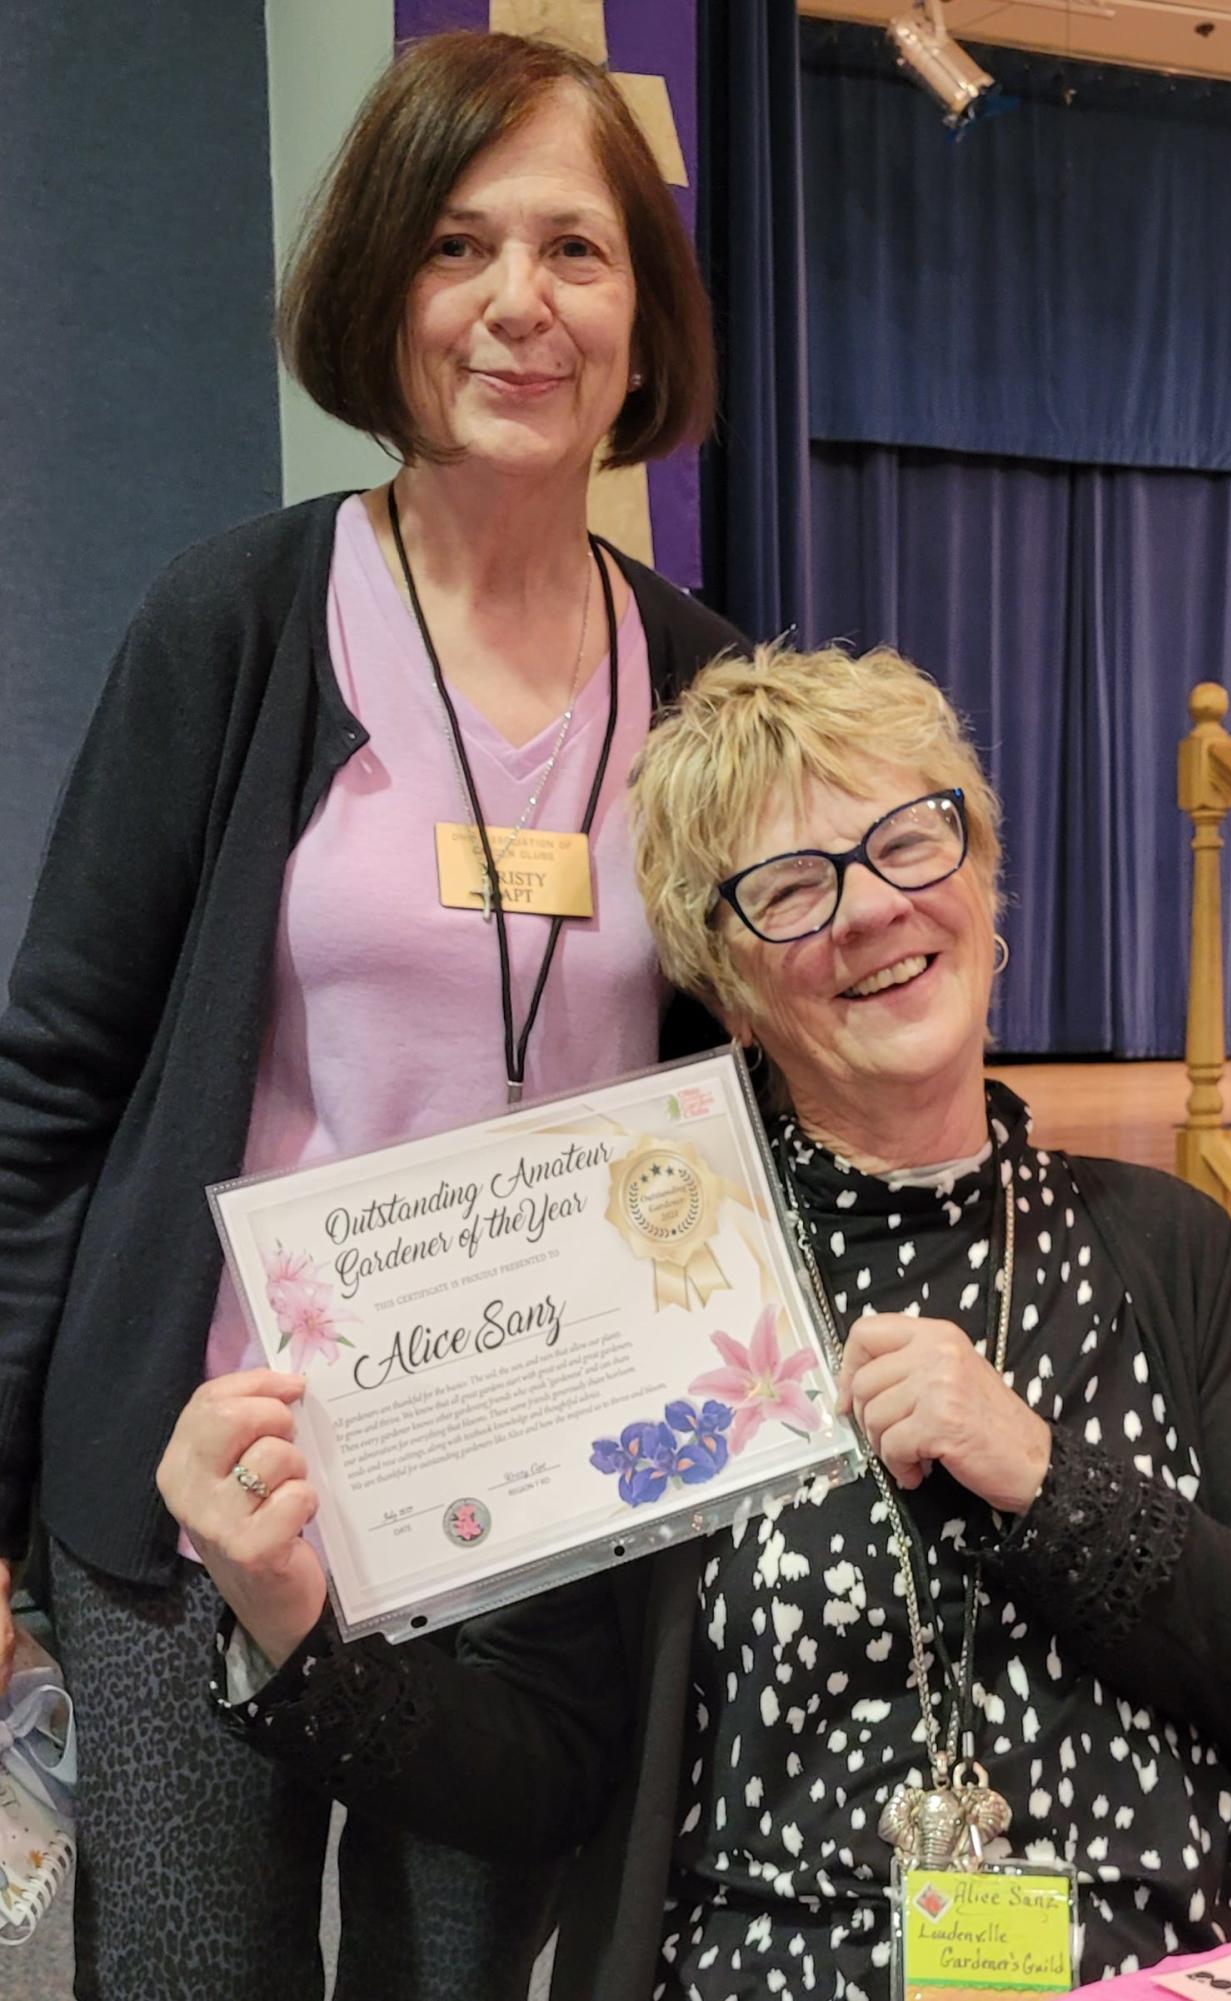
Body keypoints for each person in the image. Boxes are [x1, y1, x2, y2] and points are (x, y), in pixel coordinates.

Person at [160, 642, 1231, 2001]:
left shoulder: (1170, 1245)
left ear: (979, 874)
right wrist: (287, 1617)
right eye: (790, 887)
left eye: (909, 839)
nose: (869, 909)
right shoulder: (654, 1284)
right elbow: (545, 1768)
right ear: (725, 987)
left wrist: (1041, 1477)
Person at [0, 29, 743, 2001]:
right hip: (200, 1489)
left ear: (643, 311)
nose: (518, 302)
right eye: (454, 245)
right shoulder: (234, 621)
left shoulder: (710, 693)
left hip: (530, 1517)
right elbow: (49, 1082)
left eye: (575, 250)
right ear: (379, 295)